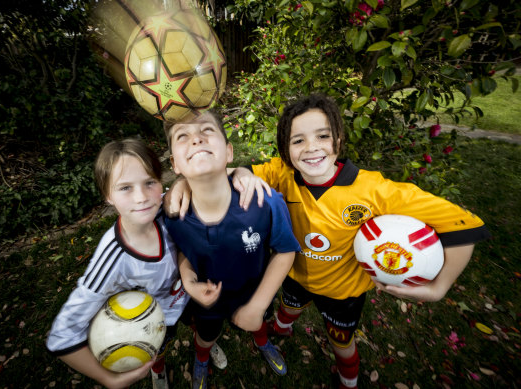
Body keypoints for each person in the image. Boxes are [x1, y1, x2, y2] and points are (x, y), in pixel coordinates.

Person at [166, 94, 490, 389]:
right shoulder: (280, 174)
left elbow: (464, 227)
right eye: (298, 140)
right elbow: (220, 171)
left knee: (342, 343)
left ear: (338, 138)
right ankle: (279, 332)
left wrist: (439, 287)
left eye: (322, 135)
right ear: (285, 148)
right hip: (295, 278)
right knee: (287, 310)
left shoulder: (375, 191)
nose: (311, 147)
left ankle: (348, 381)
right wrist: (188, 184)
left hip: (343, 293)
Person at [163, 110, 301, 389]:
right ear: (174, 164)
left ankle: (263, 342)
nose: (196, 139)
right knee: (206, 335)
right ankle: (202, 358)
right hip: (207, 301)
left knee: (257, 322)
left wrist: (259, 304)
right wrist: (187, 279)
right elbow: (181, 249)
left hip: (253, 291)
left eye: (207, 131)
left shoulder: (265, 201)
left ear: (228, 152)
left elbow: (285, 250)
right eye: (182, 136)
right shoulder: (172, 212)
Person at [46, 139, 192, 389]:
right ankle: (158, 370)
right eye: (125, 188)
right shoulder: (112, 261)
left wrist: (184, 183)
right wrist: (107, 379)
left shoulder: (165, 207)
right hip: (154, 321)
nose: (142, 197)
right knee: (158, 349)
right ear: (107, 196)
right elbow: (62, 336)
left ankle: (204, 350)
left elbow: (203, 182)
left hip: (188, 297)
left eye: (150, 182)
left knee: (203, 327)